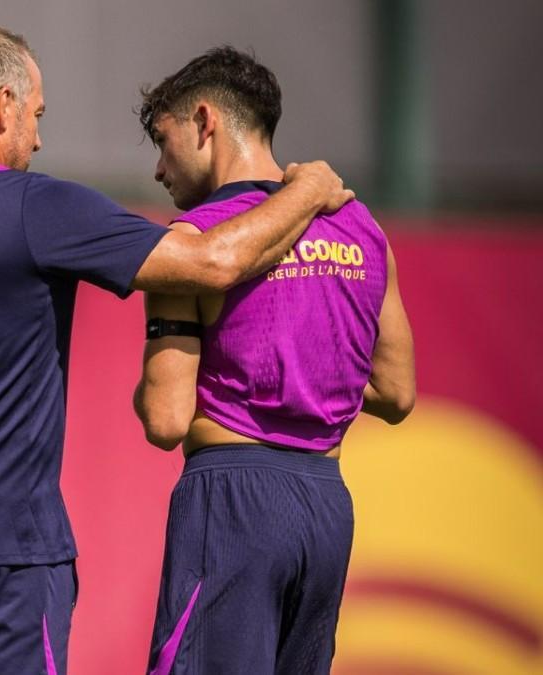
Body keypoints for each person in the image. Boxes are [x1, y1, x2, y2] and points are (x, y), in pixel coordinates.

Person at [0, 21, 352, 674]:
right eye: (37, 115)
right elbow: (213, 262)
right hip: (5, 558)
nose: (38, 138)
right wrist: (308, 192)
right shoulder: (33, 208)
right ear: (3, 107)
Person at [132, 47, 416, 675]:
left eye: (163, 141)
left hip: (233, 499)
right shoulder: (363, 231)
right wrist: (307, 379)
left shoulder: (189, 243)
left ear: (204, 121)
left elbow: (166, 418)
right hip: (326, 509)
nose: (158, 168)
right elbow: (397, 393)